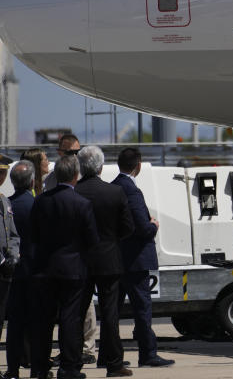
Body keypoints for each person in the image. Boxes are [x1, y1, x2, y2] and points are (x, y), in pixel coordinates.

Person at [30, 155, 98, 379]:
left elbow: (33, 236)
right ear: (76, 176)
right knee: (70, 319)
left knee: (43, 320)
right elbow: (92, 241)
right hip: (73, 270)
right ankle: (69, 367)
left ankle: (39, 367)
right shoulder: (82, 204)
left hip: (44, 269)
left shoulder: (41, 201)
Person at [75, 146, 134, 377]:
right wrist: (110, 240)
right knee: (110, 314)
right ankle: (113, 363)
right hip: (109, 259)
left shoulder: (73, 192)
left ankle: (73, 362)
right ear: (100, 167)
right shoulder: (115, 192)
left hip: (80, 260)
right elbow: (128, 228)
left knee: (76, 314)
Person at [112, 148, 174, 368]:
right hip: (136, 260)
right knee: (142, 308)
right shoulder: (132, 190)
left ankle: (109, 356)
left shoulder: (112, 187)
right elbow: (142, 229)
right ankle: (148, 354)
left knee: (112, 310)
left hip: (116, 259)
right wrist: (153, 225)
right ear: (138, 165)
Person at [56, 135, 98, 366]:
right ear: (60, 153)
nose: (76, 157)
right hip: (62, 258)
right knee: (66, 310)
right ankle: (69, 350)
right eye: (71, 153)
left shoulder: (82, 179)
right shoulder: (56, 179)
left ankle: (87, 347)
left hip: (80, 258)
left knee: (86, 308)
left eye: (77, 152)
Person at [6, 162, 34, 379]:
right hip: (35, 271)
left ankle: (13, 368)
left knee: (14, 324)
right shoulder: (36, 204)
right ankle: (37, 366)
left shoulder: (8, 206)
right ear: (32, 181)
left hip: (13, 271)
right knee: (37, 321)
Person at [0, 163, 20, 335]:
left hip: (5, 269)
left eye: (3, 173)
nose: (1, 176)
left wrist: (12, 255)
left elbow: (12, 233)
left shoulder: (4, 200)